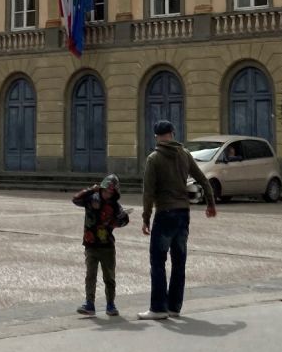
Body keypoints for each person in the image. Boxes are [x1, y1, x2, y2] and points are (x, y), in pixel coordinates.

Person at [138, 119, 216, 321]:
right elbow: (203, 179)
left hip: (164, 213)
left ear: (156, 136)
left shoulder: (153, 159)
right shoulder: (185, 154)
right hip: (183, 213)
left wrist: (146, 218)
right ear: (172, 133)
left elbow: (148, 193)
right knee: (179, 261)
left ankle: (158, 308)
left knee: (158, 261)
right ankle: (174, 306)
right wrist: (211, 204)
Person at [72, 174, 129, 317]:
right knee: (90, 275)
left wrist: (116, 221)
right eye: (105, 191)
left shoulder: (114, 205)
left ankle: (110, 304)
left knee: (109, 277)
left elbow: (124, 220)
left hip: (107, 246)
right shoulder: (92, 199)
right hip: (90, 244)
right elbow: (75, 199)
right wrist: (91, 190)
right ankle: (89, 304)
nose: (108, 194)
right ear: (101, 188)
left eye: (111, 192)